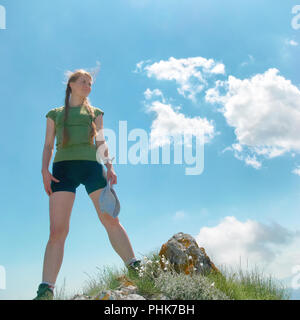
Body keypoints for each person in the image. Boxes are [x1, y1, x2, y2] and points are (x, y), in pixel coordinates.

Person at [33, 69, 141, 300]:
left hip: (92, 168)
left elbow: (101, 141)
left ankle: (135, 267)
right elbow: (48, 146)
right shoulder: (55, 114)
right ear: (71, 84)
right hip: (63, 170)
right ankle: (46, 289)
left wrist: (109, 166)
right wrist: (44, 170)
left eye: (90, 83)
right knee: (57, 230)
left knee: (110, 219)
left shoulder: (95, 113)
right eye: (83, 81)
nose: (87, 85)